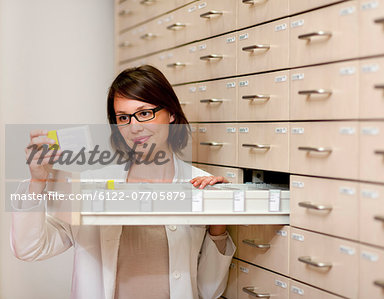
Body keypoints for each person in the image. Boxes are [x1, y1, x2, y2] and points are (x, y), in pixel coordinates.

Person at [10, 65, 236, 299]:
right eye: (123, 117)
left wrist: (216, 221)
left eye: (145, 113)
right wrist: (37, 182)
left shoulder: (199, 185)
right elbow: (29, 248)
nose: (134, 127)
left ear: (171, 114)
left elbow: (209, 291)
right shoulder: (90, 186)